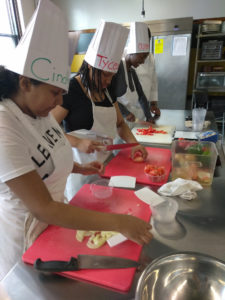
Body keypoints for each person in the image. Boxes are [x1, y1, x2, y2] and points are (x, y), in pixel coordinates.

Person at [0, 1, 152, 280]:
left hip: (55, 224)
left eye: (61, 93)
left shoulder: (37, 109)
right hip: (24, 236)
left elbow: (48, 152)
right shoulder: (4, 126)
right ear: (24, 83)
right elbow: (42, 207)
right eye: (54, 93)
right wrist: (119, 223)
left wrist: (78, 168)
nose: (60, 101)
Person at [52, 20, 148, 199]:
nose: (108, 81)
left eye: (112, 75)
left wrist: (135, 144)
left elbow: (120, 124)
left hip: (109, 166)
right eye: (105, 74)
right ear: (90, 67)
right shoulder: (71, 89)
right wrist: (78, 142)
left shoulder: (107, 91)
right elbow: (49, 129)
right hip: (79, 172)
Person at [110, 22, 161, 124]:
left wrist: (149, 115)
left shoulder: (132, 70)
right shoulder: (118, 64)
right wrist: (125, 113)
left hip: (138, 113)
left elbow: (142, 94)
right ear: (132, 52)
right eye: (141, 57)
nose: (142, 62)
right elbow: (110, 97)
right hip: (120, 117)